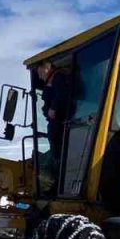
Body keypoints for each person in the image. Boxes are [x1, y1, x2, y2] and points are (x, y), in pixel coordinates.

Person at [36, 60, 70, 192]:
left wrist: (53, 108)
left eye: (40, 73)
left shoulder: (58, 77)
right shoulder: (55, 79)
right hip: (58, 123)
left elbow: (62, 93)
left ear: (46, 68)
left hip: (58, 123)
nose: (40, 77)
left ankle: (57, 184)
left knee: (56, 153)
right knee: (54, 152)